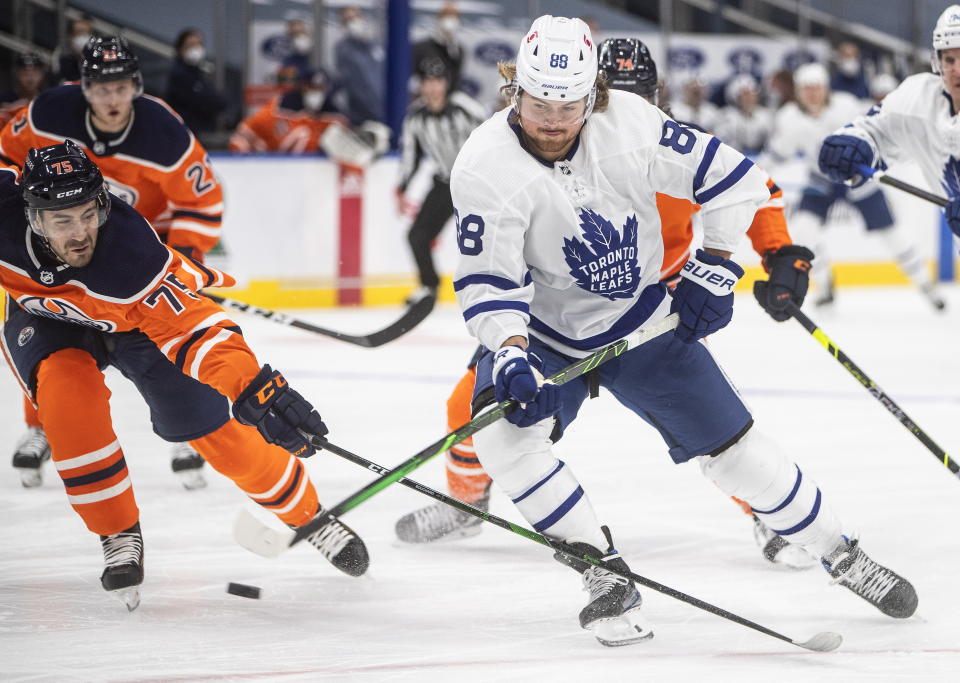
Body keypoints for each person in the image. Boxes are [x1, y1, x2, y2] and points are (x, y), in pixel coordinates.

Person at [448, 15, 918, 646]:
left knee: (738, 458)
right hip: (547, 334)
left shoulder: (632, 125)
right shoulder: (483, 166)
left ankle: (840, 552)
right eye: (539, 103)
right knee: (503, 438)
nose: (555, 121)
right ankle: (601, 572)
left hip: (642, 322)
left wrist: (718, 265)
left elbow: (740, 180)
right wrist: (508, 351)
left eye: (570, 104)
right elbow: (488, 282)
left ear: (595, 96)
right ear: (514, 92)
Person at [395, 37, 817, 572]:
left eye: (628, 93)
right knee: (472, 408)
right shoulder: (538, 151)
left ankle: (768, 511)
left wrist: (781, 253)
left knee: (715, 428)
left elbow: (751, 188)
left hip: (656, 307)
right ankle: (467, 497)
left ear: (651, 95)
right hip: (557, 313)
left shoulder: (655, 142)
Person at [0, 141, 369, 610]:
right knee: (66, 398)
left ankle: (310, 516)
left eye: (88, 215)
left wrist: (258, 390)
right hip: (49, 324)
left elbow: (198, 332)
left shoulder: (132, 258)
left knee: (222, 435)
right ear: (34, 218)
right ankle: (117, 532)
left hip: (136, 326)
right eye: (62, 221)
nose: (81, 233)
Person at [1, 37, 225, 490]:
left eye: (121, 88)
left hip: (144, 247)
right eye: (101, 89)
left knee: (170, 332)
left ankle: (188, 432)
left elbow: (203, 202)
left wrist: (181, 257)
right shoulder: (47, 113)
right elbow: (7, 160)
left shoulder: (165, 133)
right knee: (47, 327)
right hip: (62, 237)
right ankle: (41, 426)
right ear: (82, 87)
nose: (112, 99)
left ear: (136, 86)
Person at [766, 62, 945, 310]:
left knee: (893, 236)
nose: (813, 94)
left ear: (826, 88)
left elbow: (880, 130)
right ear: (798, 92)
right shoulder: (788, 118)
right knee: (804, 231)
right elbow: (778, 154)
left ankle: (927, 286)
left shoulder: (847, 105)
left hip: (859, 181)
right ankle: (825, 284)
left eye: (817, 88)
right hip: (820, 182)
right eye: (807, 89)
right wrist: (759, 175)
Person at [820, 5, 960, 256]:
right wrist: (854, 144)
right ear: (937, 61)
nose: (958, 70)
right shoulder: (919, 98)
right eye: (950, 59)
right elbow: (876, 130)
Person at [396, 59, 486, 301]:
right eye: (427, 82)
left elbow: (492, 138)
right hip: (445, 183)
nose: (432, 87)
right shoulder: (415, 117)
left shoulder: (465, 108)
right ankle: (429, 287)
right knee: (417, 236)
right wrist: (401, 188)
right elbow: (410, 155)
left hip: (476, 185)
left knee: (486, 237)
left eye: (437, 81)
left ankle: (493, 286)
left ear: (446, 83)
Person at [165, 29, 228, 137]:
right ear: (180, 49)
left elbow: (219, 101)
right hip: (184, 133)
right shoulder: (179, 74)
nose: (196, 49)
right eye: (191, 45)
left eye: (199, 44)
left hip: (198, 132)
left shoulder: (198, 72)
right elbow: (205, 101)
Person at [334, 6, 385, 125]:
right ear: (343, 25)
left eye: (355, 17)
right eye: (347, 20)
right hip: (361, 117)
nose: (353, 22)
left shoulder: (377, 44)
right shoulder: (343, 49)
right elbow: (352, 83)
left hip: (386, 111)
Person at [714, 73, 772, 156]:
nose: (749, 98)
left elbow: (771, 144)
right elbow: (722, 146)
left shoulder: (765, 115)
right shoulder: (726, 117)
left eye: (752, 93)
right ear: (736, 98)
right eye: (745, 94)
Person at [412, 2, 465, 91]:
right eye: (445, 16)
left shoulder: (458, 51)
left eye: (453, 17)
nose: (449, 22)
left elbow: (455, 81)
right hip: (422, 96)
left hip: (445, 99)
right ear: (438, 20)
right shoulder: (420, 47)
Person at [0, 52, 49, 129]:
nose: (30, 78)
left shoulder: (46, 103)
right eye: (25, 72)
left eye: (35, 72)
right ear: (16, 73)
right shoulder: (4, 100)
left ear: (42, 74)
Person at [52, 15, 95, 84]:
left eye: (86, 33)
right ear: (70, 36)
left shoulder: (99, 58)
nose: (83, 38)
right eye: (79, 33)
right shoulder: (61, 58)